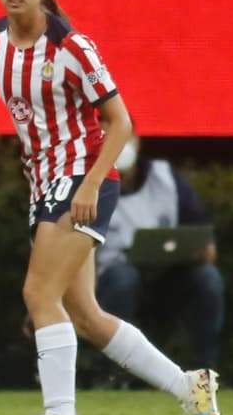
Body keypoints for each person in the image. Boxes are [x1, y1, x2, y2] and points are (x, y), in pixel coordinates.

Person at [0, 0, 221, 415]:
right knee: (85, 313)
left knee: (38, 294)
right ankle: (188, 386)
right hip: (44, 181)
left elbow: (120, 122)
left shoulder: (71, 47)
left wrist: (89, 184)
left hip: (82, 176)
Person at [96, 124, 225, 372]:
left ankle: (204, 373)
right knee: (124, 280)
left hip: (169, 277)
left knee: (208, 278)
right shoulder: (86, 184)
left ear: (137, 141)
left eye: (122, 135)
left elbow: (202, 235)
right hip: (113, 282)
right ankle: (113, 375)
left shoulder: (165, 178)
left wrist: (201, 250)